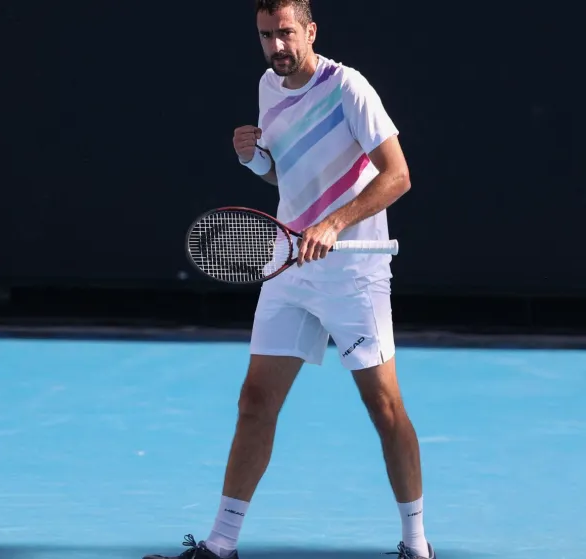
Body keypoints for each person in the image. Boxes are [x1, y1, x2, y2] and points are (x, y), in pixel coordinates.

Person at [145, 1, 433, 558]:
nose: (277, 46)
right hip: (289, 266)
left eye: (285, 34)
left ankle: (417, 547)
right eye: (265, 36)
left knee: (385, 408)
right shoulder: (268, 87)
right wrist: (255, 162)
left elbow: (398, 175)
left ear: (310, 31)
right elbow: (287, 174)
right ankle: (221, 545)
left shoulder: (349, 88)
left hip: (353, 274)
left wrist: (334, 222)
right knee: (255, 400)